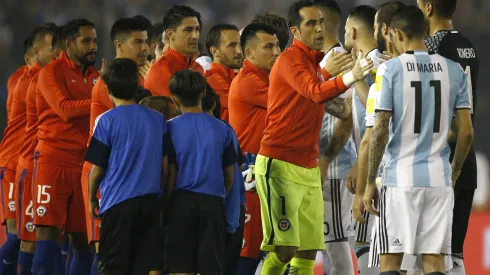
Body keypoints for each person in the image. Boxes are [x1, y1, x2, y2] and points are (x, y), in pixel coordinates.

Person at [255, 1, 372, 274]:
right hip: (279, 164)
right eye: (311, 23)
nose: (320, 28)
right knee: (285, 250)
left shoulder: (315, 62)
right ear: (295, 30)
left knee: (308, 251)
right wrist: (350, 76)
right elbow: (315, 92)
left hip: (308, 167)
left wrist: (334, 73)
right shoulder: (289, 59)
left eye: (321, 22)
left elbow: (320, 92)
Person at [363, 6, 473, 275]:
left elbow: (379, 129)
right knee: (435, 265)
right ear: (425, 30)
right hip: (439, 180)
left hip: (399, 180)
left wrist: (369, 182)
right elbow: (466, 132)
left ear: (397, 33)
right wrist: (455, 169)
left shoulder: (391, 70)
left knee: (391, 265)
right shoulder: (454, 70)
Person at [85, 58, 166, 275]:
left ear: (108, 89)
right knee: (145, 267)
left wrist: (92, 197)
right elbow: (166, 164)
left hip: (118, 205)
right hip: (150, 203)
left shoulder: (106, 120)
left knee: (114, 267)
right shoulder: (157, 119)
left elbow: (98, 169)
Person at [80, 19, 150, 271]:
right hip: (104, 176)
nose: (146, 48)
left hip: (125, 179)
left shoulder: (136, 81)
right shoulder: (109, 85)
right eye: (138, 42)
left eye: (146, 41)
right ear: (119, 45)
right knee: (105, 255)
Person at [320, 4, 383, 275]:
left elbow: (380, 119)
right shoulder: (370, 63)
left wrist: (360, 162)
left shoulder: (372, 65)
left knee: (360, 247)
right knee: (367, 247)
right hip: (371, 168)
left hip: (367, 171)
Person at [418, 1, 480, 274]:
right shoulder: (468, 45)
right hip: (467, 161)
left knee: (430, 256)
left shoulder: (431, 50)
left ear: (428, 8)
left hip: (440, 162)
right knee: (455, 254)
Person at [32, 18, 99, 274]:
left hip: (83, 167)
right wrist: (99, 99)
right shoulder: (51, 72)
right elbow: (64, 110)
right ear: (69, 44)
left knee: (83, 244)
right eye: (86, 40)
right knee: (47, 242)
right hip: (53, 163)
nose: (93, 45)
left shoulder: (95, 76)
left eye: (94, 40)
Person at [164, 70, 236, 275]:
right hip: (212, 204)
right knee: (210, 267)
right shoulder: (222, 129)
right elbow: (229, 175)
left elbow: (167, 171)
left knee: (180, 266)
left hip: (180, 203)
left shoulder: (168, 128)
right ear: (203, 93)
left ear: (174, 98)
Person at [228, 22, 281, 275]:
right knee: (246, 257)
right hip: (249, 177)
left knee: (270, 253)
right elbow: (291, 102)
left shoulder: (267, 79)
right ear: (249, 53)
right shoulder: (248, 81)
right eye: (268, 47)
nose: (276, 52)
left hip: (268, 174)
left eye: (277, 45)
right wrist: (323, 76)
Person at [314, 1, 357, 274]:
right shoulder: (322, 61)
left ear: (320, 24)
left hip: (335, 168)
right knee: (329, 244)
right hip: (325, 167)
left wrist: (325, 161)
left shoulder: (339, 60)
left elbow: (346, 119)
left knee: (335, 244)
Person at [11, 24, 57, 275]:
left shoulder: (46, 76)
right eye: (53, 47)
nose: (58, 52)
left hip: (44, 166)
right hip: (29, 165)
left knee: (50, 240)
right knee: (25, 240)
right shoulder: (34, 80)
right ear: (36, 52)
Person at [0, 28, 41, 274]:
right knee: (18, 236)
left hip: (26, 164)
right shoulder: (26, 80)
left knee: (32, 236)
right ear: (29, 58)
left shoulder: (18, 77)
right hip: (15, 164)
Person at [201, 84, 246, 275]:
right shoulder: (227, 130)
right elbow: (238, 166)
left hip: (214, 215)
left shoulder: (184, 127)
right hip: (233, 214)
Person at [144, 5, 204, 97]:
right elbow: (179, 110)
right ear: (170, 34)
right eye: (188, 30)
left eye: (197, 29)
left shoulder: (198, 67)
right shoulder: (160, 72)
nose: (195, 36)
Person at [204, 23, 243, 122]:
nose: (239, 50)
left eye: (240, 45)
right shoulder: (211, 81)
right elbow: (244, 104)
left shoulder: (236, 76)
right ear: (215, 51)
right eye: (232, 45)